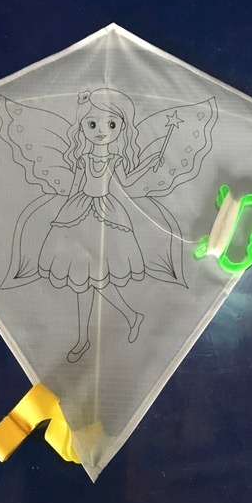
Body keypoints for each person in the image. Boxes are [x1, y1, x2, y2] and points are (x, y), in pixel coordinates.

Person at [38, 89, 161, 362]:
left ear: (121, 127)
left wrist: (147, 165)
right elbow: (74, 188)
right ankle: (119, 321)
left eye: (111, 124)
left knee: (91, 279)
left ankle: (111, 325)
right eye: (92, 124)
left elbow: (127, 183)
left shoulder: (115, 160)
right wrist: (65, 216)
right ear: (82, 127)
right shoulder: (83, 159)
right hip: (81, 212)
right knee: (85, 280)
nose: (101, 131)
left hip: (107, 215)